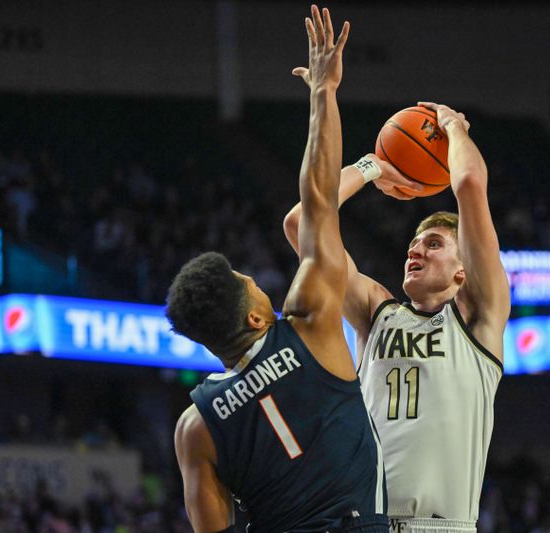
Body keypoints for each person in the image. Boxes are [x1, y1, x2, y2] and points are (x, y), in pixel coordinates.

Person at [169, 6, 388, 532]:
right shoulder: (310, 323)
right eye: (249, 283)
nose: (258, 281)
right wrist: (324, 94)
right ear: (253, 319)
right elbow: (316, 203)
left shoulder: (195, 426)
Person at [283, 103, 510, 532]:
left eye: (434, 244)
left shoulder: (480, 320)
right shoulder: (376, 311)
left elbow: (468, 182)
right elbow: (300, 224)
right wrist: (372, 167)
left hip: (442, 525)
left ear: (463, 271)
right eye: (413, 243)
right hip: (363, 523)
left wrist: (453, 128)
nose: (415, 250)